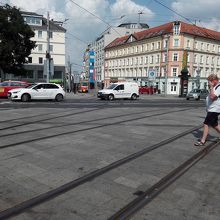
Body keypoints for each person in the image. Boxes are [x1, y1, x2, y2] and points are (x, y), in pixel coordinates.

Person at [194, 74, 220, 146]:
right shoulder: (215, 87)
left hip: (215, 109)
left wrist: (211, 87)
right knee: (215, 125)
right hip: (211, 109)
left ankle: (202, 141)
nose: (208, 83)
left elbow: (212, 97)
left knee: (206, 124)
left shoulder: (219, 87)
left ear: (214, 81)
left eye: (209, 81)